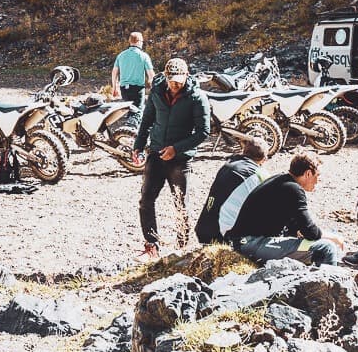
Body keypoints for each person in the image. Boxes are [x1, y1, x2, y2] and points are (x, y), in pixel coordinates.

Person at [133, 56, 210, 259]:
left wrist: (176, 149)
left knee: (180, 203)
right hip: (156, 154)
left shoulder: (197, 97)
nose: (175, 84)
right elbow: (146, 121)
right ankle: (151, 246)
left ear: (187, 75)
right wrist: (138, 146)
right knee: (146, 200)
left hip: (180, 159)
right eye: (172, 80)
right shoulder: (157, 92)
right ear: (166, 77)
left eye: (179, 80)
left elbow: (203, 132)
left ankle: (182, 248)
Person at [228, 150, 337, 266]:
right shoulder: (293, 189)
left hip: (247, 241)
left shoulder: (282, 181)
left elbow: (296, 225)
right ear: (308, 174)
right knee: (327, 247)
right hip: (251, 244)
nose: (318, 181)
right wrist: (334, 238)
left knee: (326, 239)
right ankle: (331, 277)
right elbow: (311, 232)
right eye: (317, 176)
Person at [195, 138, 272, 244]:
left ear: (244, 151)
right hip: (223, 235)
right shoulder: (259, 174)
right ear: (264, 159)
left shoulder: (228, 165)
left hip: (203, 228)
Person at [112, 31, 154, 110]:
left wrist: (115, 88)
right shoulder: (144, 56)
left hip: (124, 89)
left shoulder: (121, 55)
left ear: (130, 41)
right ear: (139, 42)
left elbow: (114, 73)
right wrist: (154, 89)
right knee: (137, 112)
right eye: (142, 41)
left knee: (128, 111)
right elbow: (151, 75)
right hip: (137, 89)